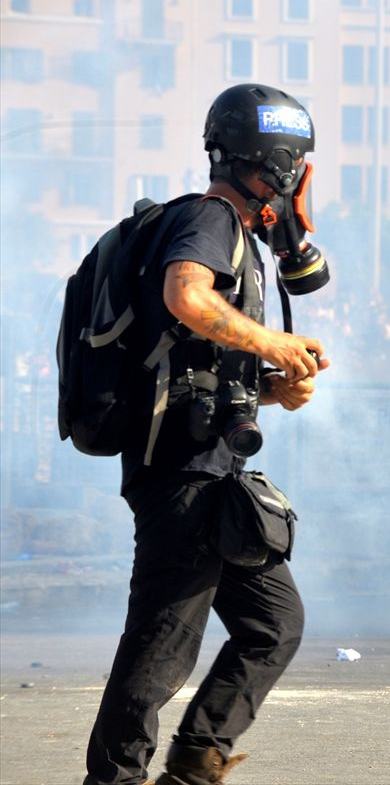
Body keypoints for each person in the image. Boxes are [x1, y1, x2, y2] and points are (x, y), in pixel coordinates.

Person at [83, 84, 331, 785]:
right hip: (181, 472)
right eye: (300, 168)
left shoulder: (238, 236)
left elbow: (203, 352)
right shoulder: (210, 217)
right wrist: (275, 341)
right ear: (278, 166)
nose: (303, 186)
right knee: (162, 642)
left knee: (273, 624)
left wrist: (275, 384)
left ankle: (194, 763)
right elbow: (184, 296)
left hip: (214, 468)